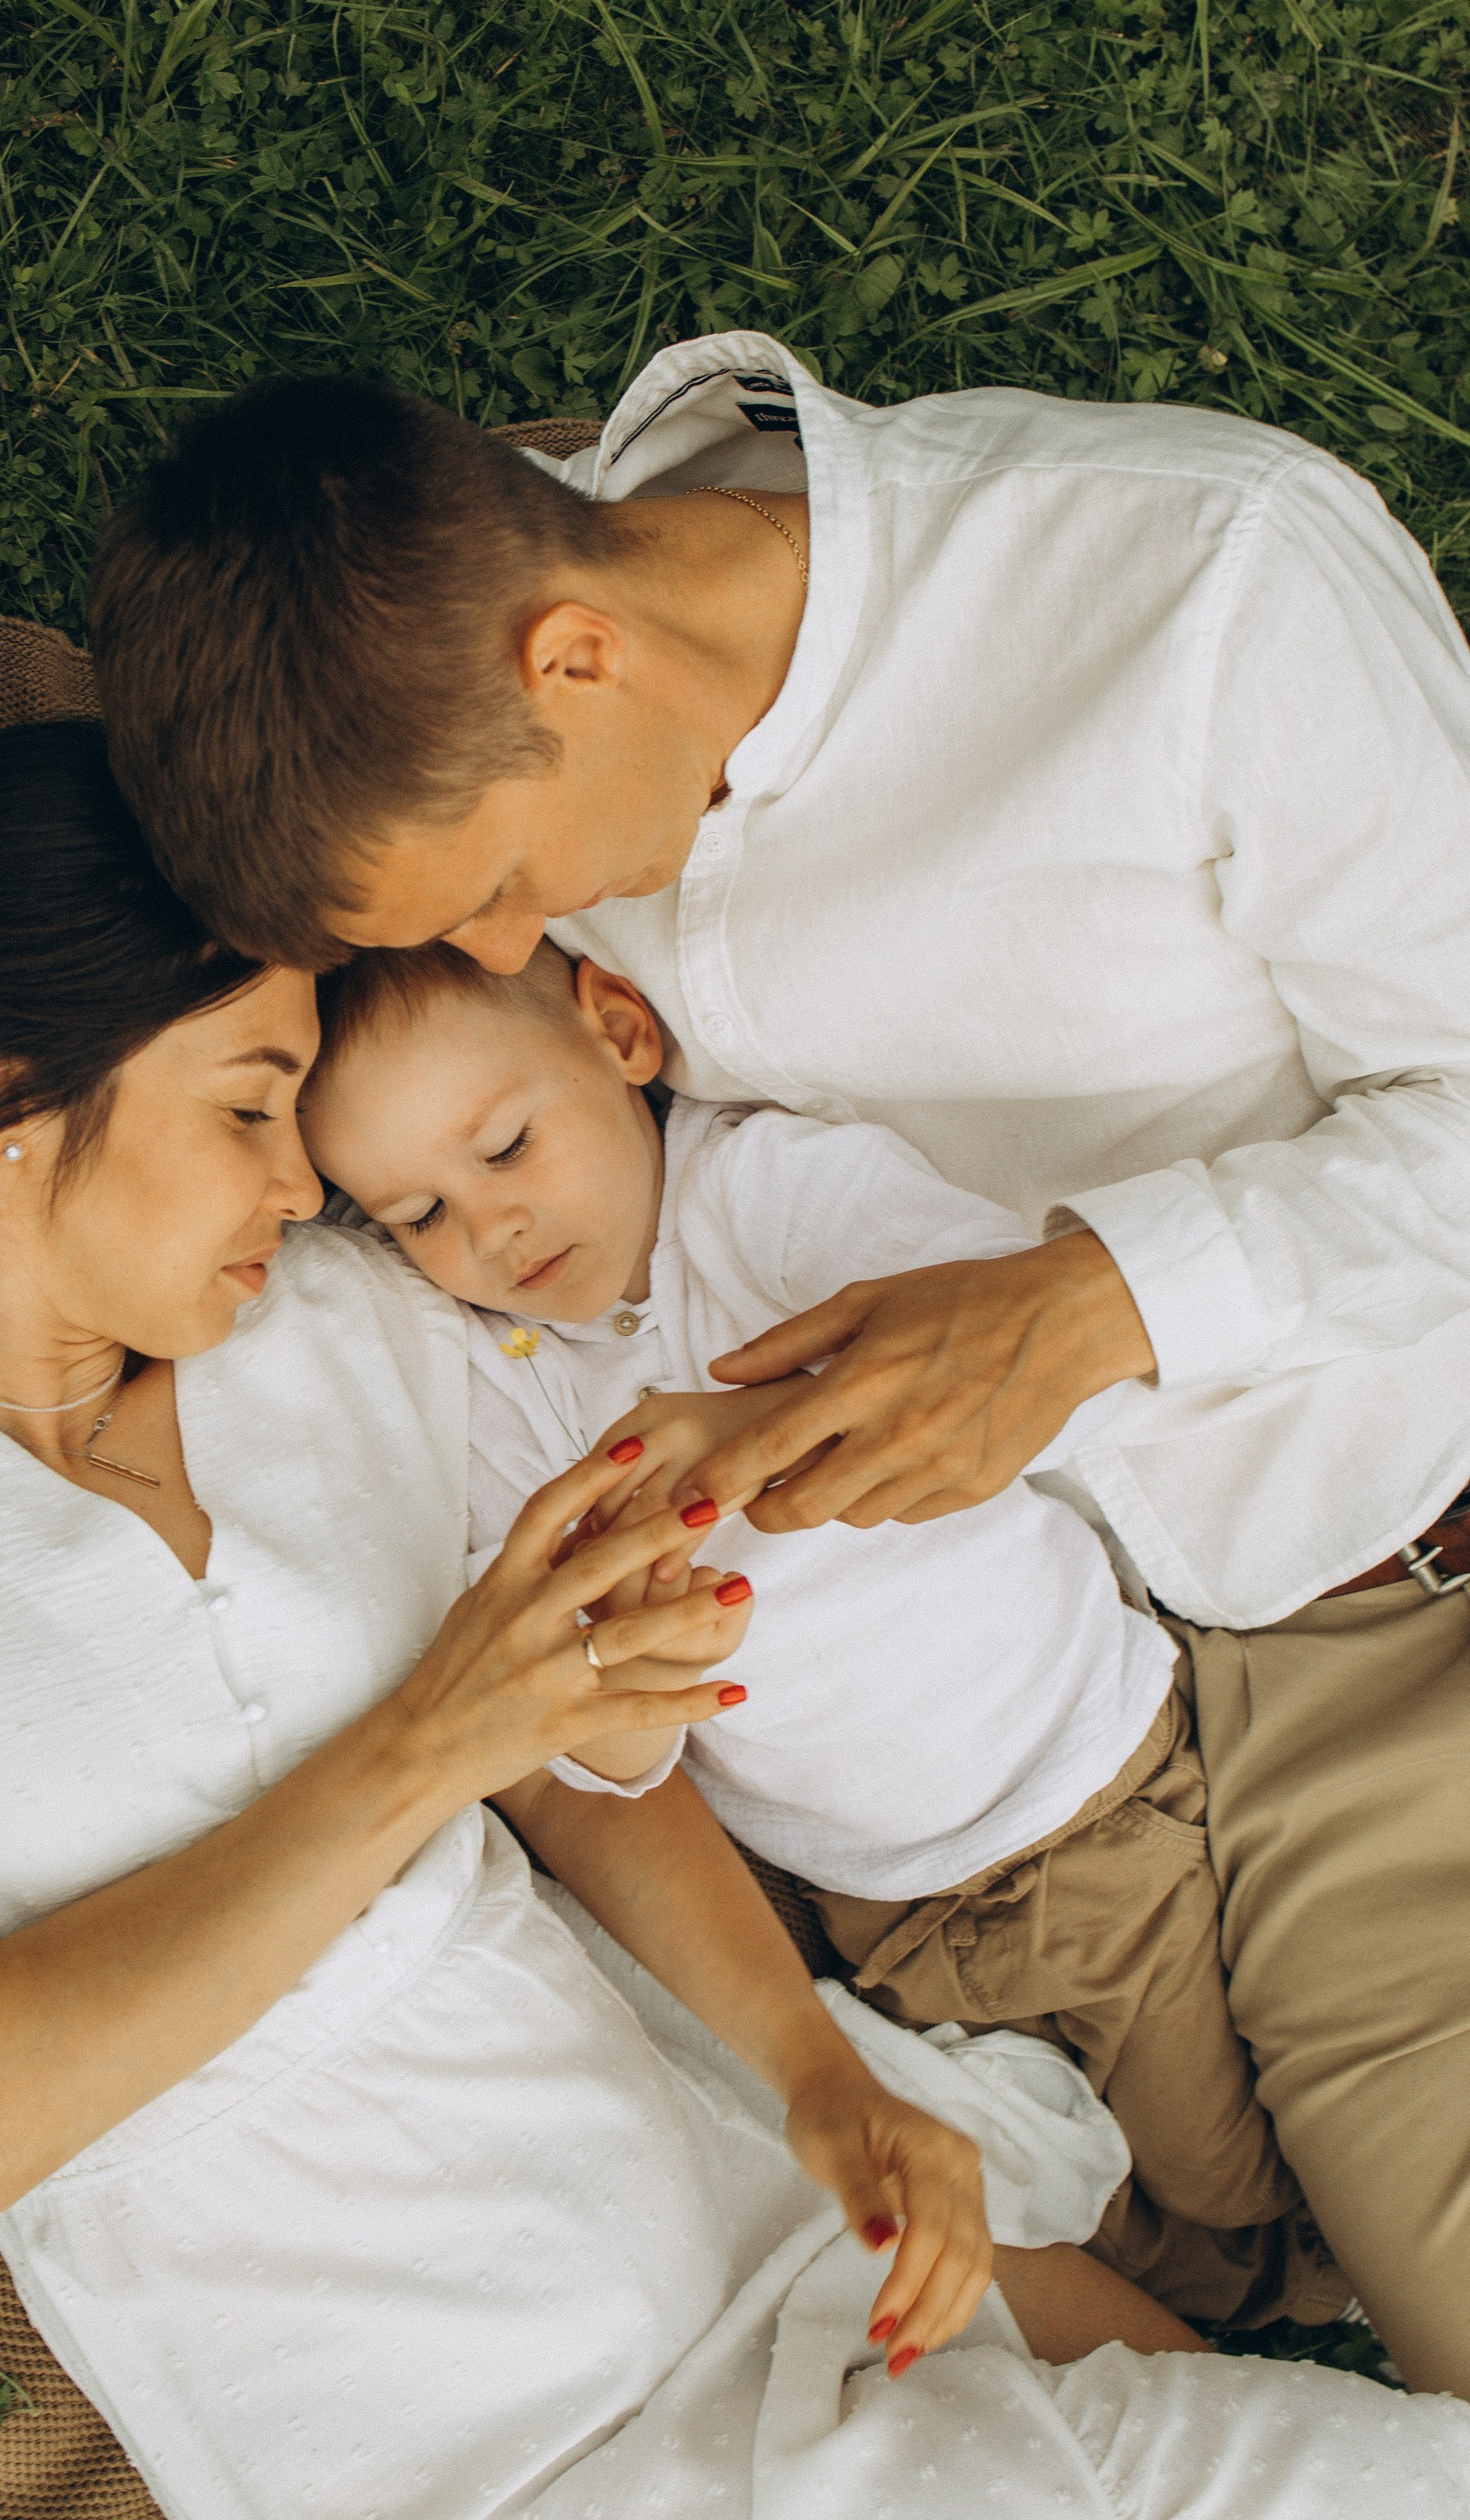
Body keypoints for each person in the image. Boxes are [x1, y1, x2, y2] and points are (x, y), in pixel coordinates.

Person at [0, 719, 1470, 2520]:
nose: (304, 1188)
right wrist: (430, 1740)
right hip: (491, 2495)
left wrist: (807, 2073)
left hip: (733, 2219)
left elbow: (578, 1770)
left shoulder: (331, 1332)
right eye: (247, 1112)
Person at [75, 335, 1470, 2398]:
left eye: (498, 894)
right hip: (1057, 1786)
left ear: (576, 660)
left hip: (1360, 1608)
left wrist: (1096, 1299)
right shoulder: (476, 729)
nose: (500, 957)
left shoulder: (1202, 591)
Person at [300, 932, 1349, 2334]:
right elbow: (599, 1743)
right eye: (416, 1214)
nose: (486, 1233)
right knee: (1115, 2226)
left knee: (1231, 2192)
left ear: (617, 1033)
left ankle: (1321, 2287)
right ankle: (1252, 2300)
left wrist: (761, 1437)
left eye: (503, 1147)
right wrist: (636, 1670)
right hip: (883, 1911)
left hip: (1081, 1805)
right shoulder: (495, 1390)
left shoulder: (766, 1193)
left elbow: (1017, 1359)